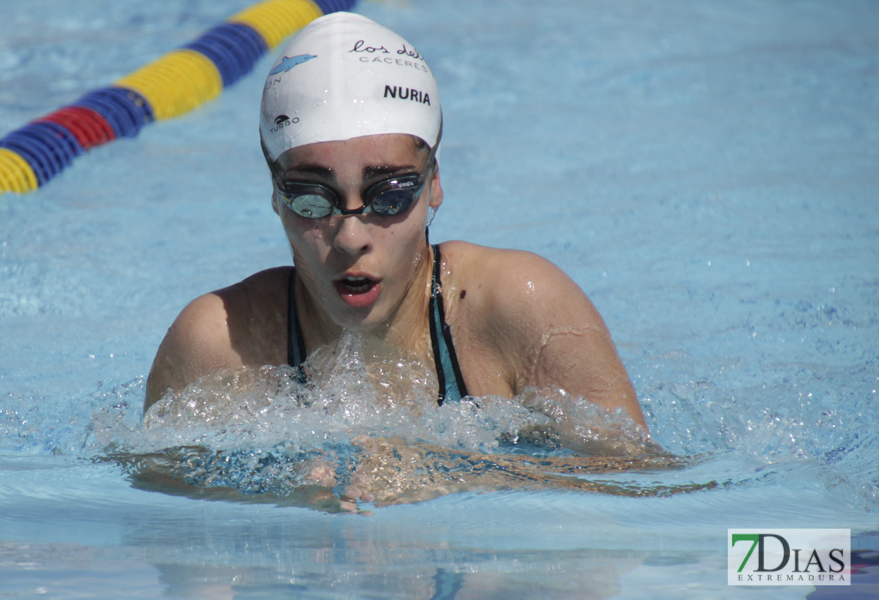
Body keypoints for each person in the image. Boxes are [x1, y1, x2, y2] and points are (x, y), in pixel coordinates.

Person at [143, 12, 648, 439]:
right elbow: (156, 518)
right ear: (276, 197)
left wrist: (439, 474)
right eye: (313, 199)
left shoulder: (518, 305)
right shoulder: (222, 344)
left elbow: (635, 487)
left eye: (389, 196)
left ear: (433, 185)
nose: (351, 237)